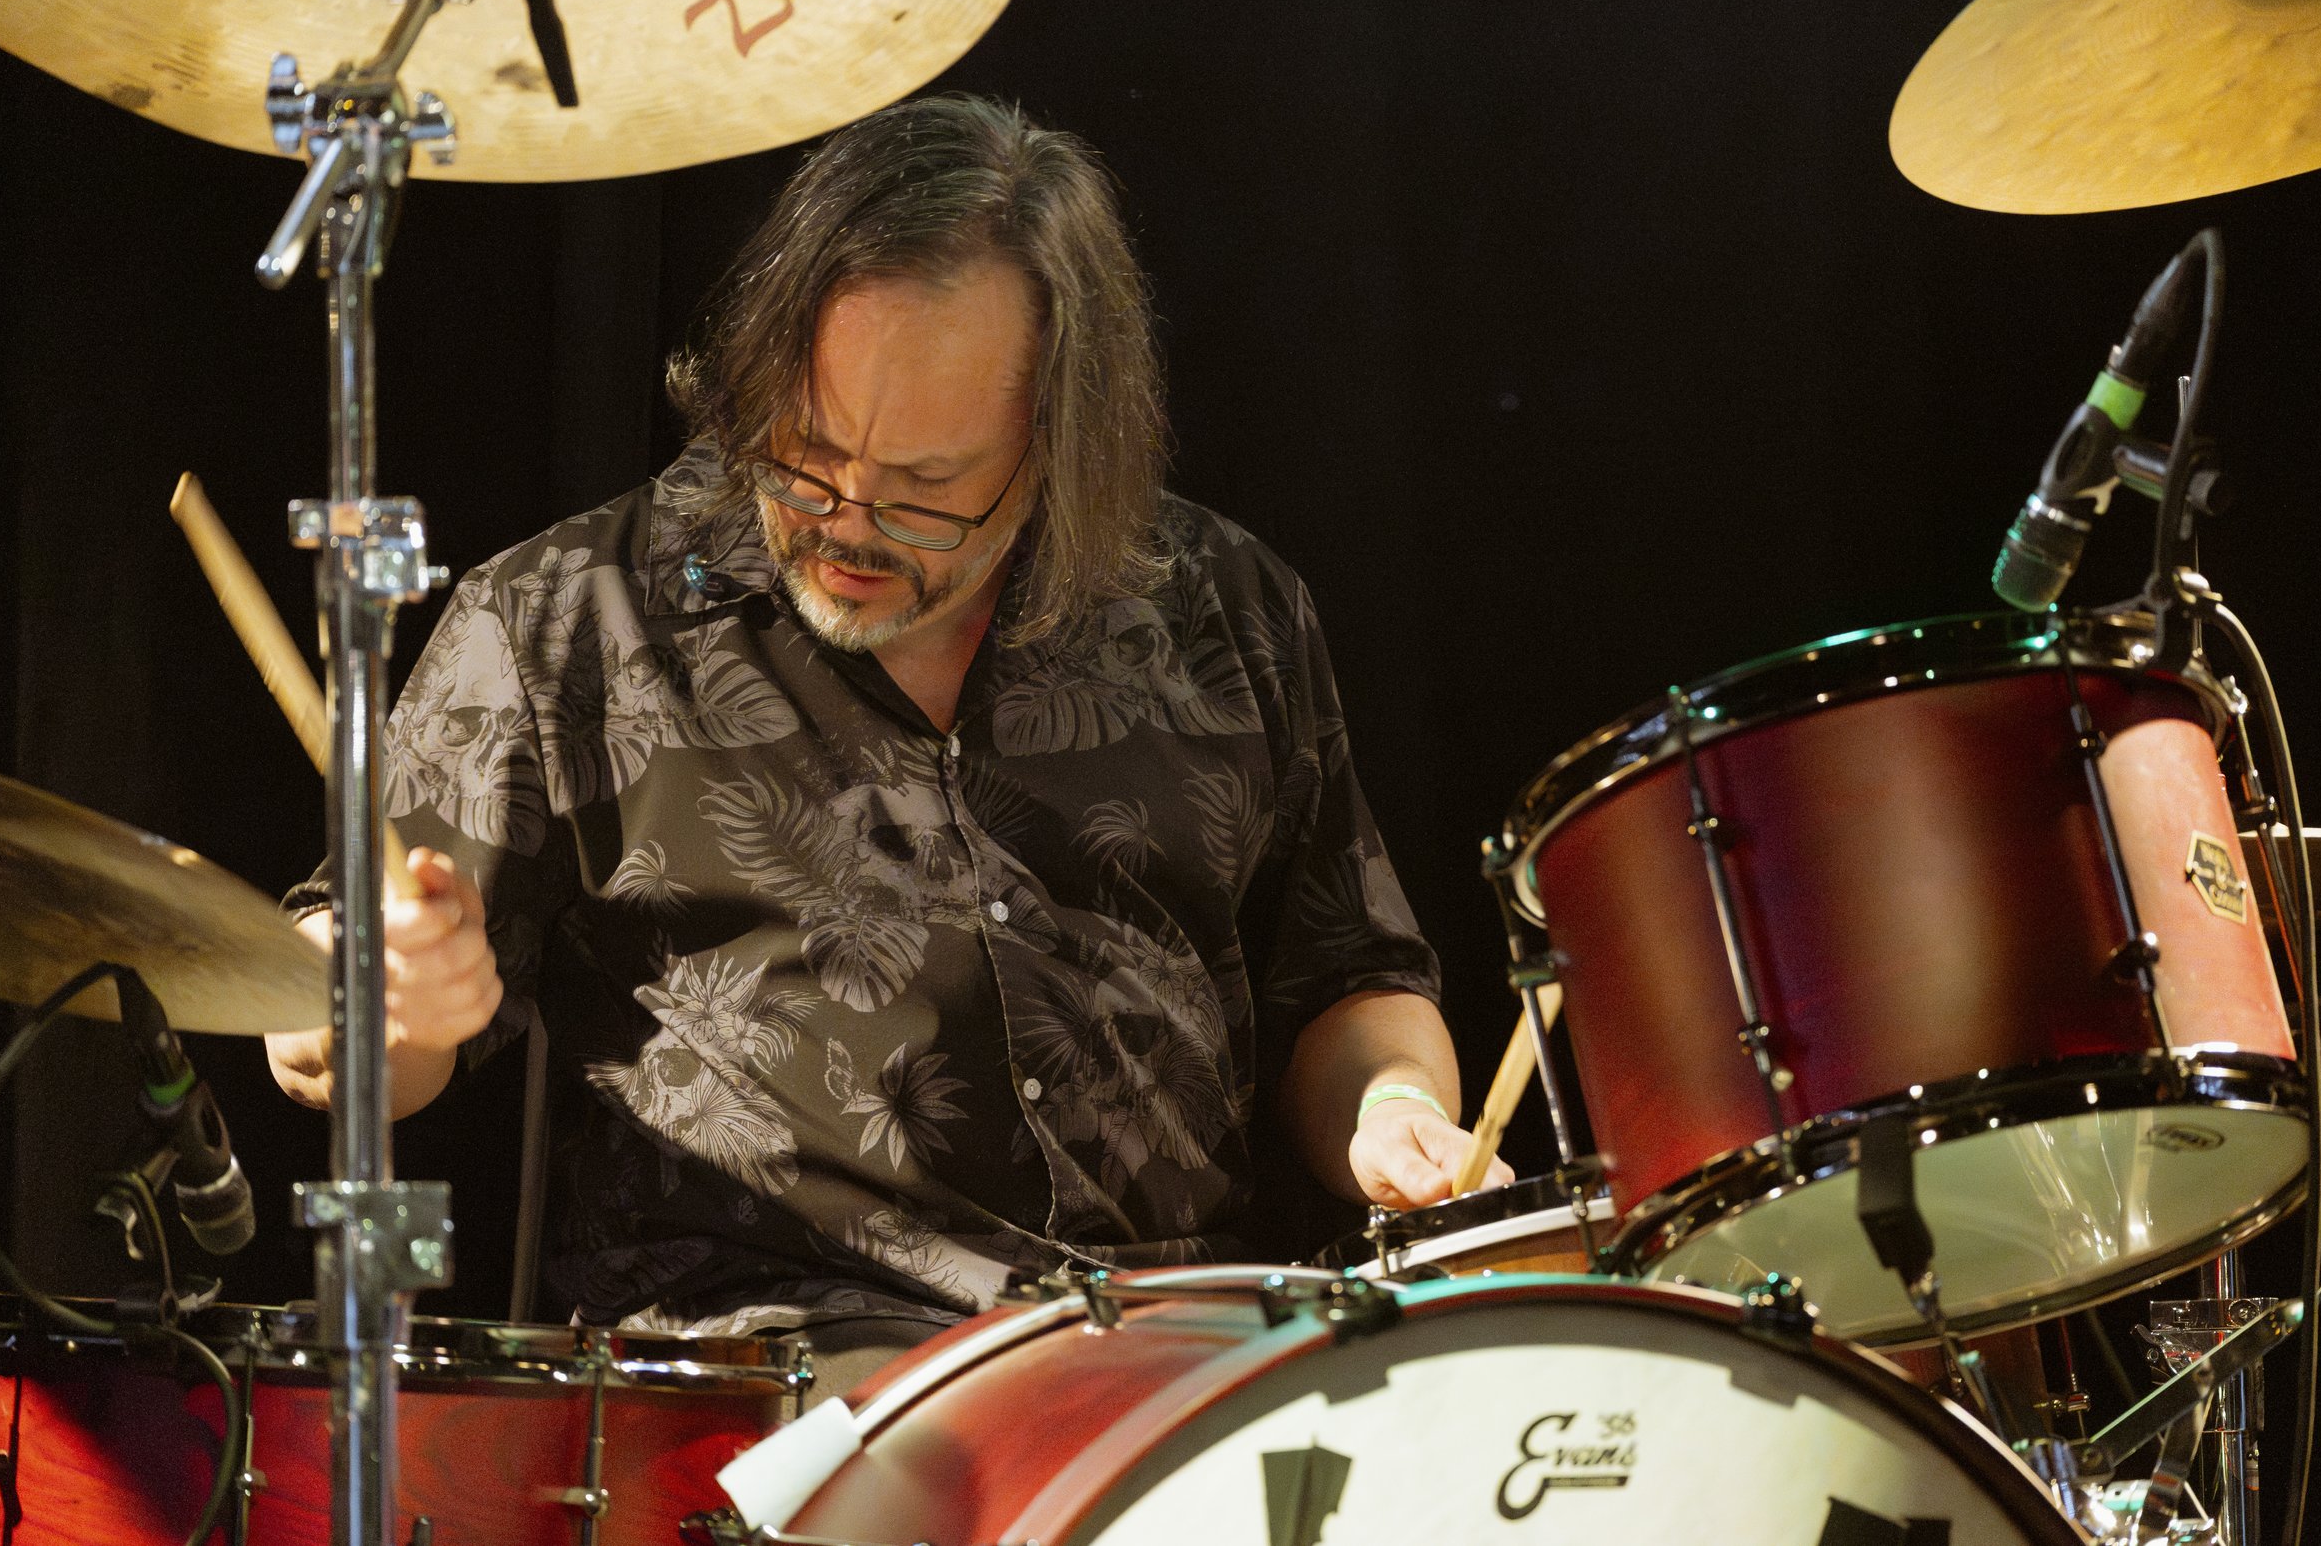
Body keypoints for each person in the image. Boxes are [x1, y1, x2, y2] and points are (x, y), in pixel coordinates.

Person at [265, 93, 1504, 1391]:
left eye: (923, 488)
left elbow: (1349, 976)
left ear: (1056, 441)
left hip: (1180, 1367)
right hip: (772, 1399)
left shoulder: (1222, 605)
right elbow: (338, 1031)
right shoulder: (571, 616)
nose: (845, 520)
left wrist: (1396, 1110)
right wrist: (365, 998)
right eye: (805, 453)